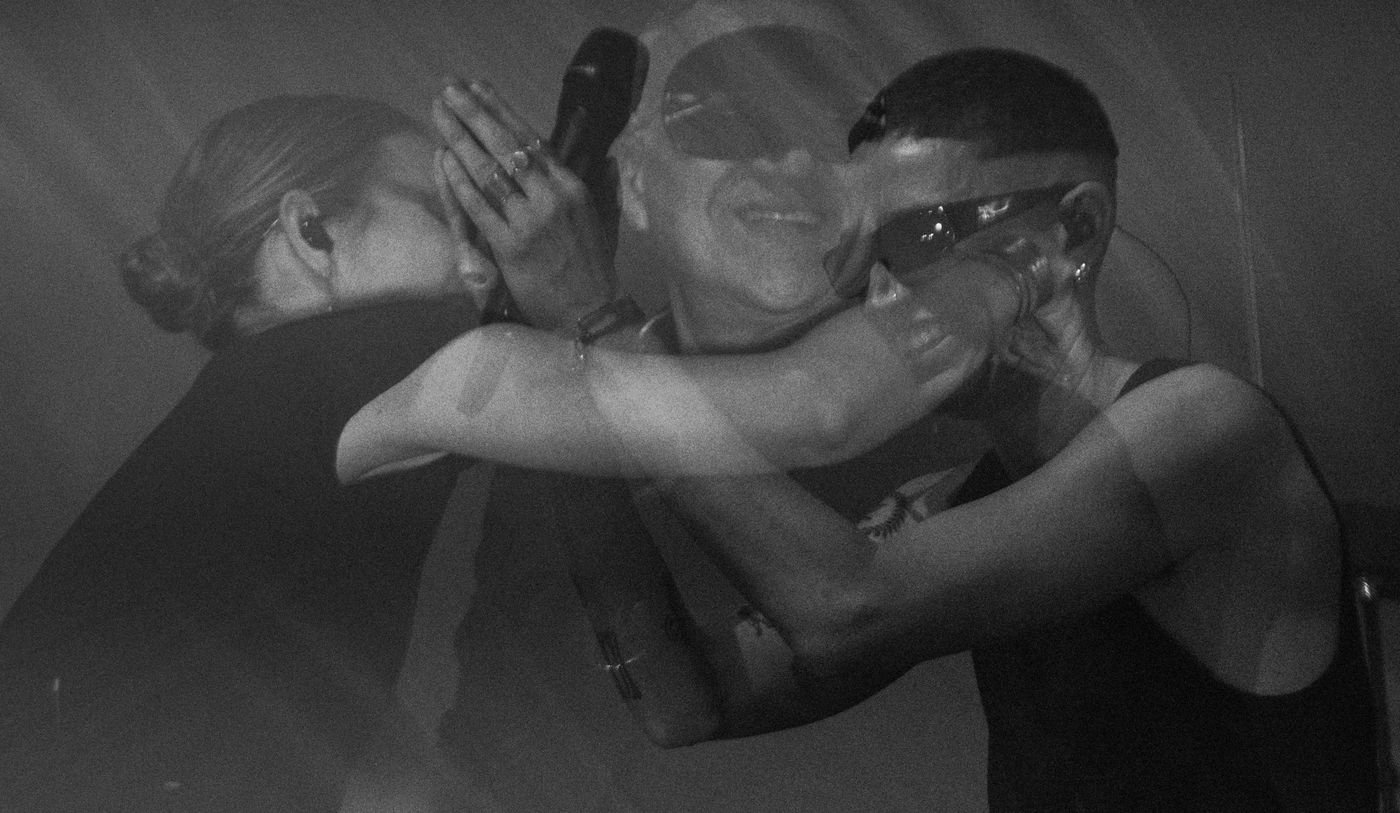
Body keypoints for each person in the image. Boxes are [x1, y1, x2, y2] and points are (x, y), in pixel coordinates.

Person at [0, 76, 1007, 809]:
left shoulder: (257, 416)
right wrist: (1014, 266)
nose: (482, 250)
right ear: (313, 233)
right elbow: (820, 407)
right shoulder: (350, 362)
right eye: (451, 213)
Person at [572, 48, 1381, 811]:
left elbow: (842, 607)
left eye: (918, 237)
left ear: (1076, 227)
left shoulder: (1208, 427)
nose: (882, 294)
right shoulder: (960, 502)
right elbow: (688, 702)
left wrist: (595, 323)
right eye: (861, 258)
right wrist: (565, 386)